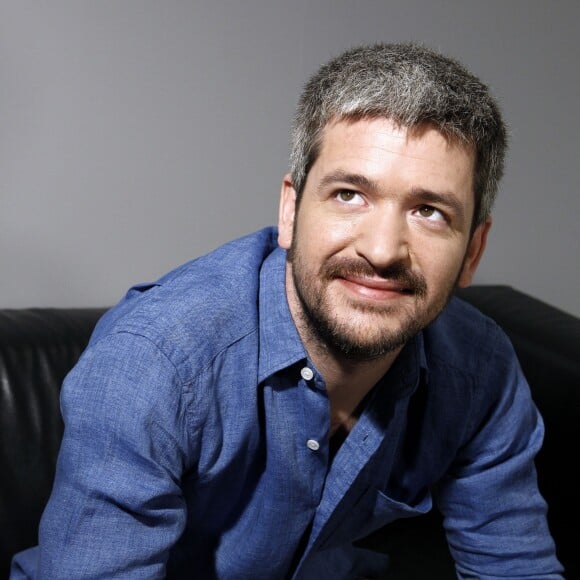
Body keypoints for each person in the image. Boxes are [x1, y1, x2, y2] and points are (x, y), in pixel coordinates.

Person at [11, 43, 563, 579]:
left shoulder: (479, 368)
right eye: (350, 194)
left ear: (473, 251)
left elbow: (514, 564)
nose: (382, 249)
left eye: (429, 211)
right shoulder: (153, 364)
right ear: (292, 210)